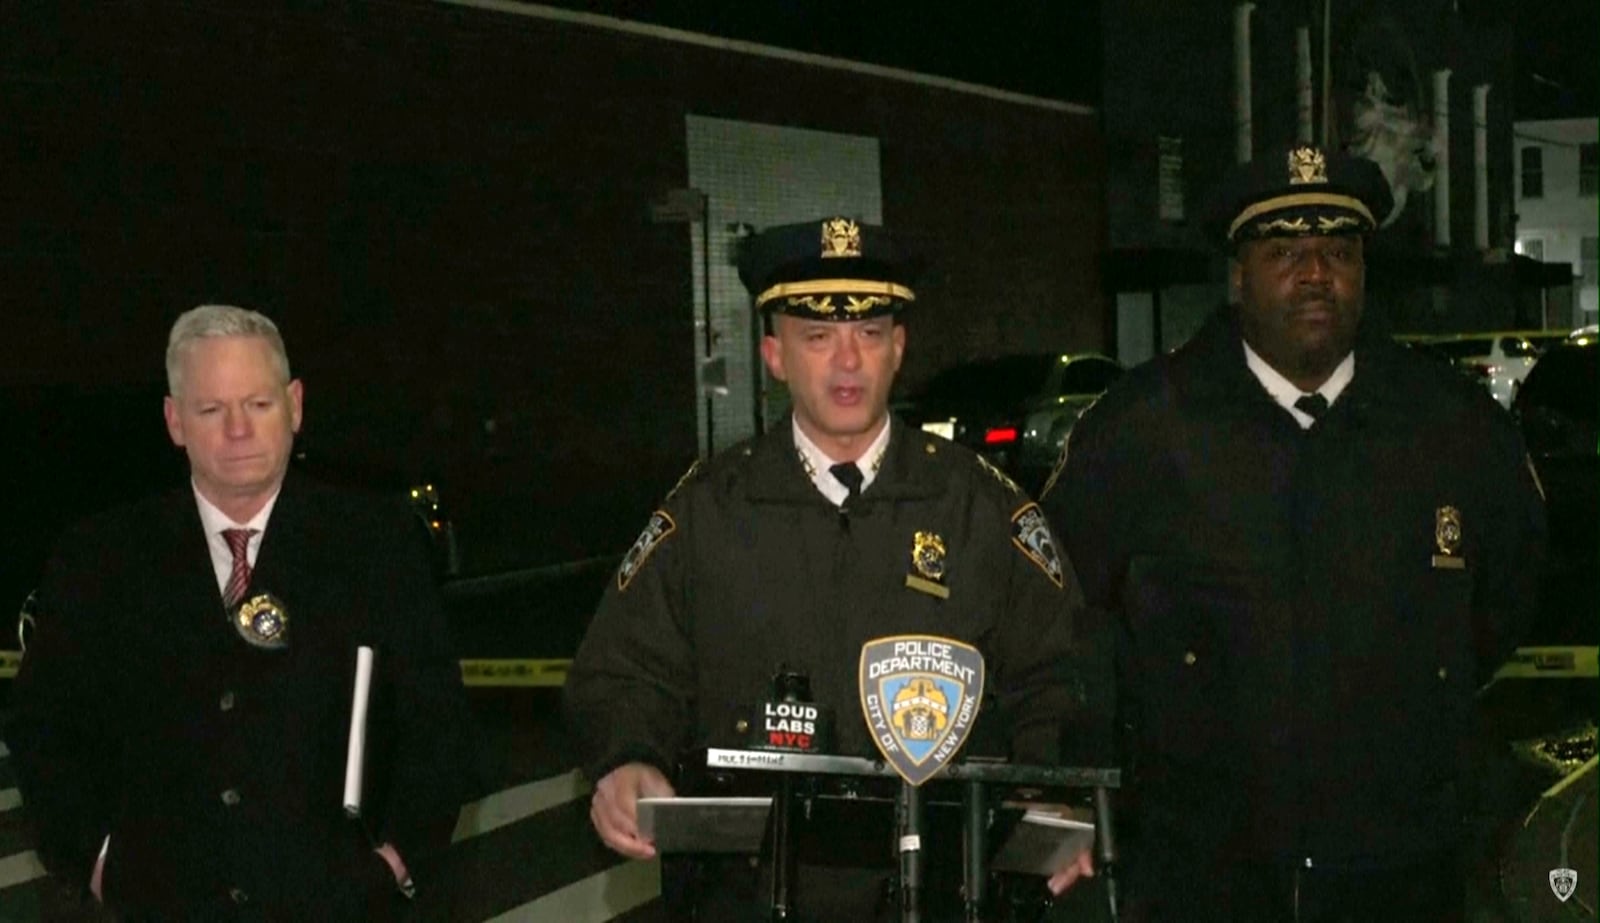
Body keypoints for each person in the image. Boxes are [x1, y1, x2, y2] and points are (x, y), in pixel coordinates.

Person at [1039, 146, 1547, 921]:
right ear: (1238, 274)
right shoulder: (1142, 430)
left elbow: (1507, 599)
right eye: (1285, 252)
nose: (1316, 273)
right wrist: (1080, 787)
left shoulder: (1453, 429)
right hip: (1200, 866)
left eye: (1338, 251)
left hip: (1402, 863)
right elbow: (1059, 614)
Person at [565, 217, 1095, 920]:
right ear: (774, 354)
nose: (848, 361)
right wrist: (627, 757)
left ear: (898, 347)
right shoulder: (708, 512)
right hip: (748, 896)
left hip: (940, 891)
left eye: (869, 334)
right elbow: (624, 669)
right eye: (818, 337)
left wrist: (1055, 792)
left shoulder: (981, 510)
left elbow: (1064, 667)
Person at [7, 304, 475, 920]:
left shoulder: (375, 544)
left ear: (296, 405)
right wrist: (97, 864)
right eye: (211, 409)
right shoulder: (101, 558)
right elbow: (43, 728)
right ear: (175, 420)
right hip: (160, 905)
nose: (238, 430)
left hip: (338, 906)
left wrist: (393, 861)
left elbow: (437, 723)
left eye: (258, 405)